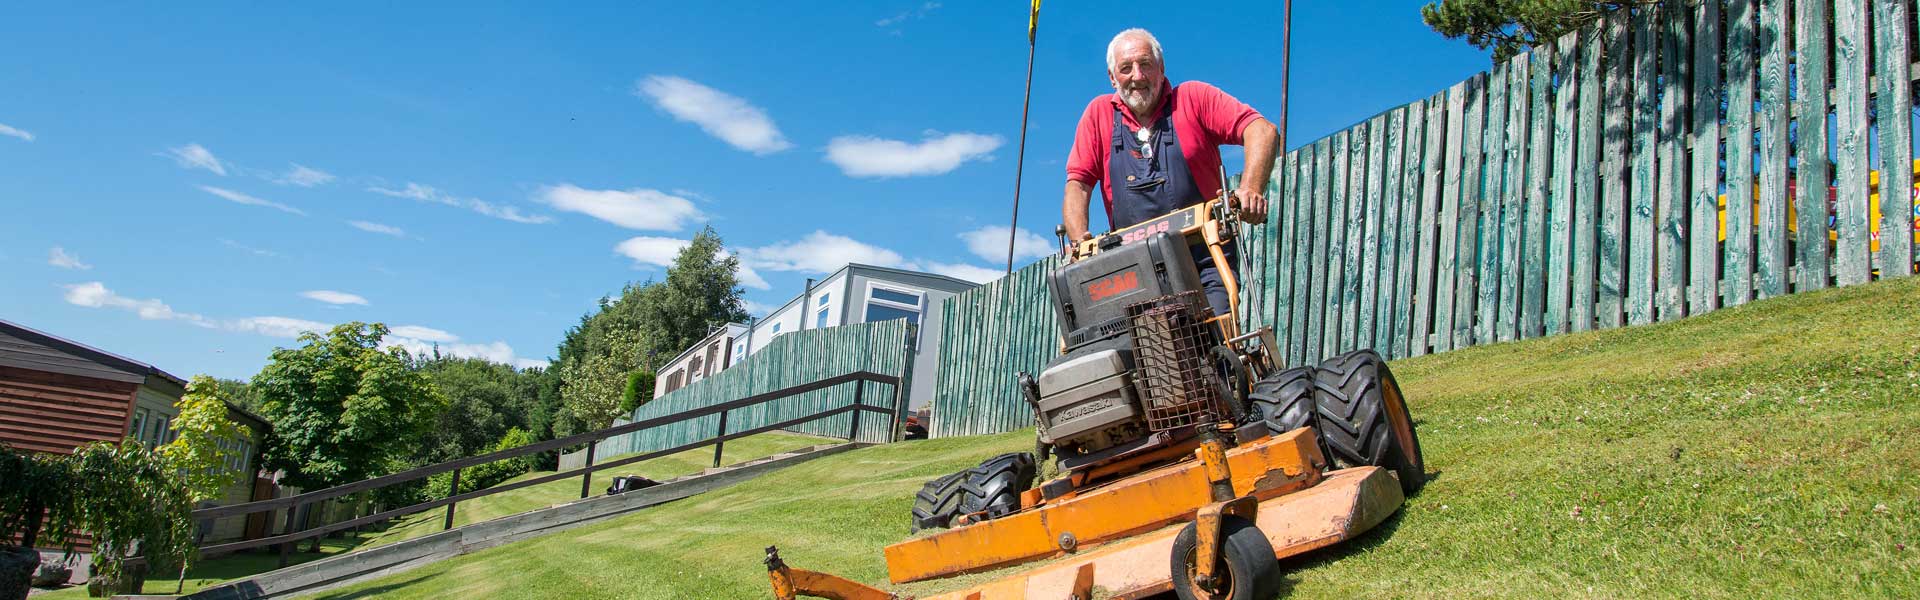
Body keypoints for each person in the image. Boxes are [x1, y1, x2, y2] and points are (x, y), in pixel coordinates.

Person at [1062, 28, 1278, 317]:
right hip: (1134, 270)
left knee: (1214, 340)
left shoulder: (1193, 98)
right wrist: (1079, 245)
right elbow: (1078, 184)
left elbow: (1261, 130)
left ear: (1161, 69)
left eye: (1145, 64)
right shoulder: (1098, 115)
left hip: (1204, 259)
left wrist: (1251, 188)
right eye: (1126, 68)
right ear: (1113, 78)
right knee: (1131, 352)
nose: (1137, 76)